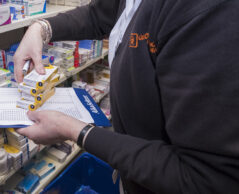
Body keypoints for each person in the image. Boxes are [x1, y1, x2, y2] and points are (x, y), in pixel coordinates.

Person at [13, 0, 239, 193]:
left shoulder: (208, 12)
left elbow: (206, 179)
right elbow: (99, 13)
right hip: (134, 174)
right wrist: (41, 28)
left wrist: (76, 131)